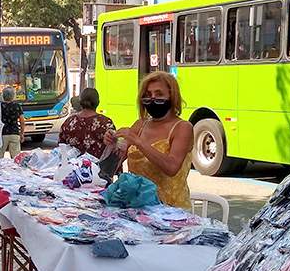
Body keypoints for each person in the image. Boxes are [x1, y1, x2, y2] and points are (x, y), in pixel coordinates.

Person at [104, 71, 193, 209]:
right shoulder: (140, 124)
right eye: (148, 94)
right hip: (136, 208)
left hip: (170, 211)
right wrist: (111, 145)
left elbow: (171, 167)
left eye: (159, 94)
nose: (152, 99)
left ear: (171, 96)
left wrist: (139, 142)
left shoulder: (182, 128)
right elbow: (110, 167)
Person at [58, 87, 116, 159]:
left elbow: (61, 148)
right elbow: (113, 150)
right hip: (97, 168)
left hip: (73, 168)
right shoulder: (105, 123)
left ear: (80, 102)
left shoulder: (69, 122)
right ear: (97, 102)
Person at [0, 86, 24, 159]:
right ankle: (15, 169)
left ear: (3, 96)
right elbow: (22, 121)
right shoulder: (17, 106)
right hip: (14, 132)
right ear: (13, 96)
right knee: (15, 157)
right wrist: (21, 133)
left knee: (0, 156)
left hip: (3, 133)